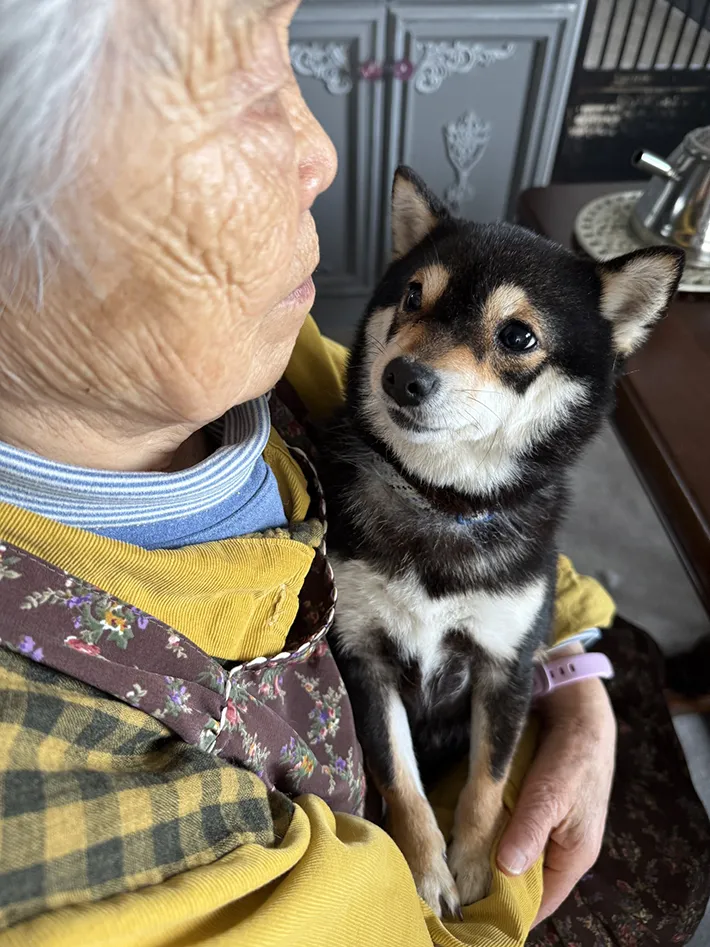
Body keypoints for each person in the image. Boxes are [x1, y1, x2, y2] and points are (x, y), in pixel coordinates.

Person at [0, 2, 707, 945]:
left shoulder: (275, 354)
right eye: (226, 87)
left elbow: (491, 507)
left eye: (284, 51)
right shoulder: (79, 807)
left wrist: (578, 669)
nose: (321, 151)